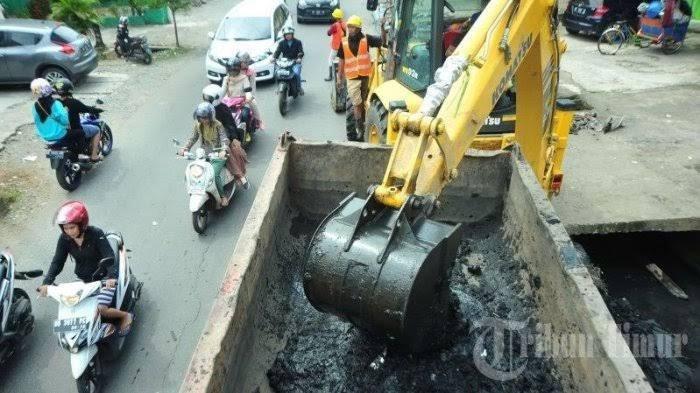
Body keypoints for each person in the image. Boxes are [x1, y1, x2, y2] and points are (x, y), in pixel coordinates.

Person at [37, 201, 133, 336]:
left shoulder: (96, 234)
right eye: (65, 228)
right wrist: (46, 282)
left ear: (82, 224)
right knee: (73, 309)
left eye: (72, 227)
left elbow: (109, 256)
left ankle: (125, 316)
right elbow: (57, 262)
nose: (69, 231)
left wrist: (111, 277)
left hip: (103, 278)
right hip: (84, 280)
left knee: (101, 309)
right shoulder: (64, 239)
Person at [337, 15, 383, 141]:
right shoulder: (344, 41)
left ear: (358, 28)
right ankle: (360, 129)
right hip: (352, 78)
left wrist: (384, 30)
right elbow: (341, 60)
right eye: (349, 27)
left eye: (352, 27)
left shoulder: (366, 39)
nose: (350, 29)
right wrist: (339, 77)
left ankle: (361, 123)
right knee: (356, 103)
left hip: (364, 76)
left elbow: (381, 41)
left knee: (362, 102)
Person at [53, 78, 103, 162]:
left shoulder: (55, 103)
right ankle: (94, 156)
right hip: (74, 131)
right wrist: (98, 110)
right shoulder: (73, 102)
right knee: (97, 130)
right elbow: (87, 109)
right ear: (69, 89)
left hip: (60, 131)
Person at [221, 57, 263, 134]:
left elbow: (248, 90)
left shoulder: (244, 78)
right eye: (231, 70)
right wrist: (216, 99)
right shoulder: (226, 79)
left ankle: (249, 129)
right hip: (229, 102)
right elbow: (222, 92)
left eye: (234, 70)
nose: (232, 72)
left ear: (238, 69)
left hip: (243, 102)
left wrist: (249, 96)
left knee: (245, 114)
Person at [30, 78, 72, 145]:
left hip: (44, 137)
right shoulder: (55, 104)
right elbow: (65, 121)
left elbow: (37, 121)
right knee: (81, 133)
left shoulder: (35, 106)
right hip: (59, 135)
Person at [272, 26, 304, 95]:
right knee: (277, 72)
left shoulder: (298, 42)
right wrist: (274, 58)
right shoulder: (281, 43)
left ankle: (299, 87)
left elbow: (301, 51)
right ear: (284, 35)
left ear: (292, 34)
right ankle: (278, 88)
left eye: (289, 34)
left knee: (296, 73)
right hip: (284, 62)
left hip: (295, 61)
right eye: (286, 34)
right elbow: (277, 52)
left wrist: (299, 58)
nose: (288, 36)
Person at [236, 52, 264, 129]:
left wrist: (250, 97)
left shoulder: (251, 73)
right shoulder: (234, 70)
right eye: (242, 62)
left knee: (253, 103)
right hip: (234, 95)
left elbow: (253, 87)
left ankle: (259, 121)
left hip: (246, 95)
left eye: (245, 62)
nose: (243, 64)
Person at [325, 8, 346, 82]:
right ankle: (342, 75)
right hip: (343, 47)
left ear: (335, 17)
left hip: (335, 47)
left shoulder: (334, 25)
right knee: (342, 60)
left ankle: (330, 76)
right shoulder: (344, 24)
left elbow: (328, 33)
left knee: (330, 59)